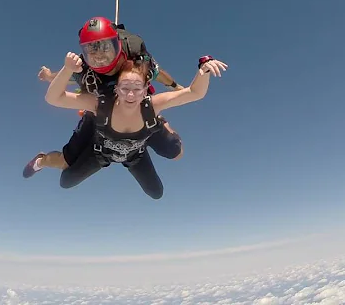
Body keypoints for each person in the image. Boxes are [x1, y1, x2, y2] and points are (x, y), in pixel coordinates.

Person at [24, 51, 228, 199]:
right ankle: (42, 160)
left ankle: (161, 125)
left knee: (157, 191)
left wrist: (204, 69)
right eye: (125, 88)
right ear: (116, 90)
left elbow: (195, 93)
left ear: (146, 90)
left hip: (134, 155)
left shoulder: (152, 105)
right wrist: (67, 70)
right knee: (65, 181)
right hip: (100, 153)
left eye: (137, 89)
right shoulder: (101, 105)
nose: (131, 95)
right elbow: (53, 98)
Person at [37, 17, 185, 163]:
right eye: (92, 54)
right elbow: (66, 77)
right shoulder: (85, 71)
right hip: (99, 115)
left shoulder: (136, 61)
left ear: (118, 44)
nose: (100, 58)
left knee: (176, 152)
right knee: (65, 163)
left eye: (105, 49)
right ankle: (41, 160)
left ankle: (161, 122)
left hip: (137, 111)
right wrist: (50, 75)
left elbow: (158, 74)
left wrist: (175, 86)